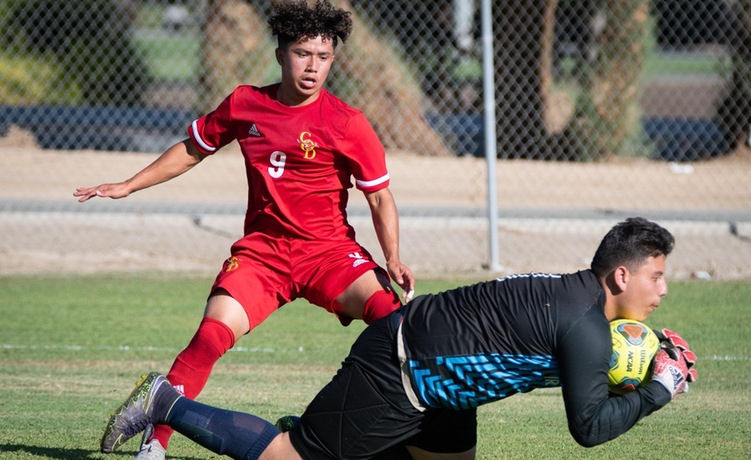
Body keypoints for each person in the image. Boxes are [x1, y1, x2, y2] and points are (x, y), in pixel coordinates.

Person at [76, 1, 415, 459]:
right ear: (280, 54)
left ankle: (383, 438)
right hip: (263, 255)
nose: (313, 66)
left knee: (398, 330)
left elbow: (379, 196)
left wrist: (392, 257)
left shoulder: (347, 123)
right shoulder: (245, 103)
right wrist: (128, 185)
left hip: (330, 254)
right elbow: (191, 149)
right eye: (302, 54)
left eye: (323, 56)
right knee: (209, 338)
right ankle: (154, 445)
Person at [100, 217, 697, 459]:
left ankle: (330, 430)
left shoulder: (579, 299)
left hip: (441, 386)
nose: (663, 290)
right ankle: (163, 401)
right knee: (291, 457)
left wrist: (644, 365)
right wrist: (659, 388)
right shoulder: (586, 327)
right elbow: (588, 428)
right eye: (656, 276)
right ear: (620, 276)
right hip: (400, 373)